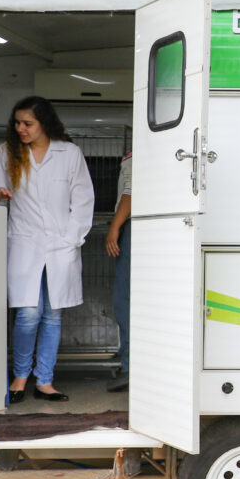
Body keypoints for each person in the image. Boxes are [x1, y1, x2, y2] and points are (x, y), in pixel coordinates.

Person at [0, 96, 95, 404]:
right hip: (25, 242)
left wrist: (72, 238)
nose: (21, 128)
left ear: (44, 123)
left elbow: (83, 199)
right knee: (29, 313)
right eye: (17, 123)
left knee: (53, 314)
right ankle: (20, 378)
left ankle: (45, 381)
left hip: (60, 245)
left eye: (27, 123)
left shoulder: (69, 153)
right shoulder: (7, 153)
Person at [104, 149, 132, 392]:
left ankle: (130, 367)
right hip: (134, 226)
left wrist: (114, 227)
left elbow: (131, 193)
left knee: (125, 300)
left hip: (132, 226)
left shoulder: (140, 152)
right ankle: (128, 359)